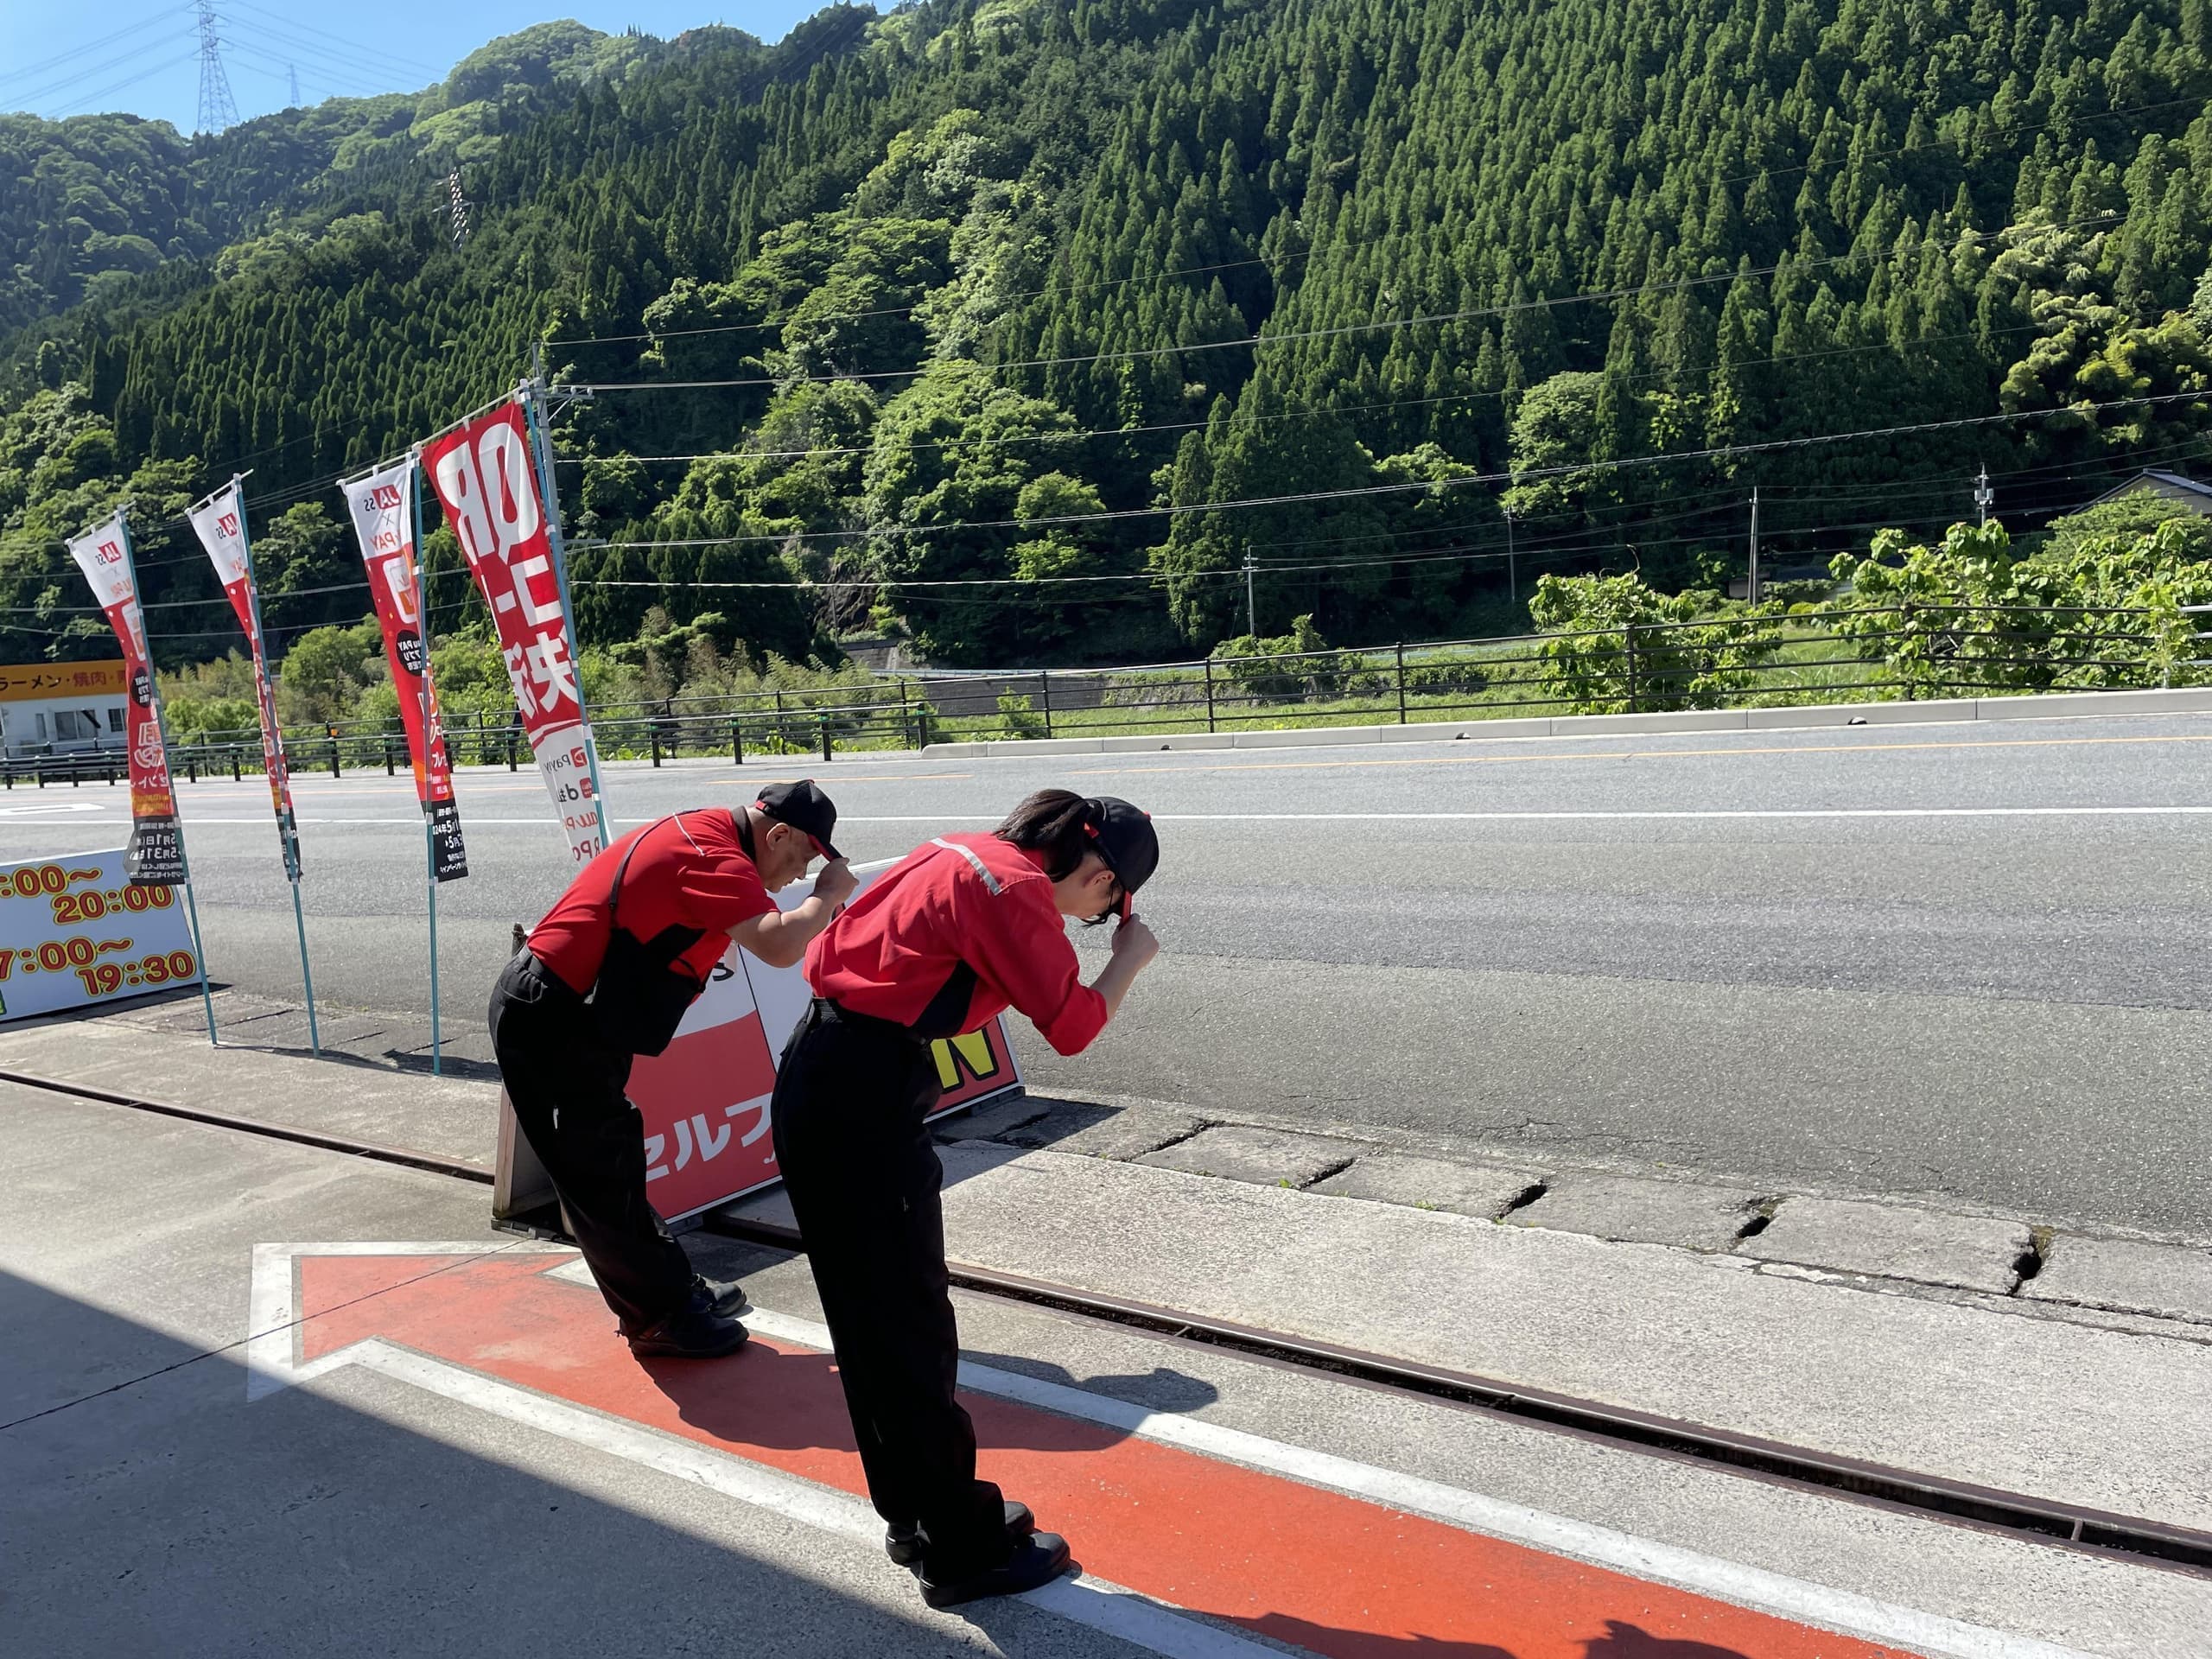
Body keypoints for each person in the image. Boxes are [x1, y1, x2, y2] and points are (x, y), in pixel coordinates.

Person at [773, 788, 1161, 1607]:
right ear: (1101, 876)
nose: (1094, 919)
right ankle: (961, 1546)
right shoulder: (1016, 889)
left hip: (821, 1071)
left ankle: (914, 1516)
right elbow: (1073, 1025)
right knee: (910, 1324)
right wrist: (1127, 958)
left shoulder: (957, 849)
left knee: (868, 1322)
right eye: (1106, 909)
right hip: (867, 1098)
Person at [490, 780, 857, 1358]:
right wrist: (827, 895)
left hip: (576, 1010)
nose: (800, 874)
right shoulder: (712, 853)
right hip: (552, 1013)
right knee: (598, 1172)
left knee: (613, 1159)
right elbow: (781, 946)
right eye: (803, 859)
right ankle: (657, 1318)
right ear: (778, 835)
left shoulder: (708, 832)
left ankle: (670, 1288)